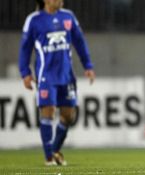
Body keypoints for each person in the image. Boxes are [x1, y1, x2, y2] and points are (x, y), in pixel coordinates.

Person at [18, 0, 95, 166]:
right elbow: (25, 48)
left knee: (68, 115)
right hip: (46, 76)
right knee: (48, 111)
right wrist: (25, 73)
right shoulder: (34, 20)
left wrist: (88, 65)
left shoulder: (68, 17)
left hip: (67, 76)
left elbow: (79, 42)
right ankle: (49, 159)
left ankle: (54, 150)